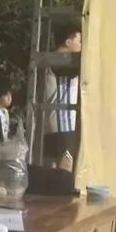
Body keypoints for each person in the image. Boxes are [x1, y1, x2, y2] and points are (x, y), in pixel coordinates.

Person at [43, 27, 81, 172]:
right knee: (65, 169)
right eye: (79, 41)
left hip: (57, 124)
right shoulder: (60, 60)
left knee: (54, 170)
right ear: (68, 42)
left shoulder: (55, 61)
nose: (82, 46)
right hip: (63, 124)